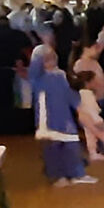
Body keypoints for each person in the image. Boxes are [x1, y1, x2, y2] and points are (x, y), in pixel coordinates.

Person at [30, 44, 97, 185]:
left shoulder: (60, 75)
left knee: (72, 145)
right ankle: (57, 177)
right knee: (52, 149)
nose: (51, 61)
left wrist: (78, 105)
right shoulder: (38, 78)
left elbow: (68, 93)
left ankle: (77, 174)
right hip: (47, 119)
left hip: (64, 118)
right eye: (47, 58)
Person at [73, 69, 104, 160]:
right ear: (87, 83)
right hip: (90, 117)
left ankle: (93, 152)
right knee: (103, 133)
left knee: (90, 135)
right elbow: (91, 109)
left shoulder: (80, 94)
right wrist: (98, 120)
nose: (95, 83)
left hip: (83, 117)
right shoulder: (88, 95)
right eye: (93, 81)